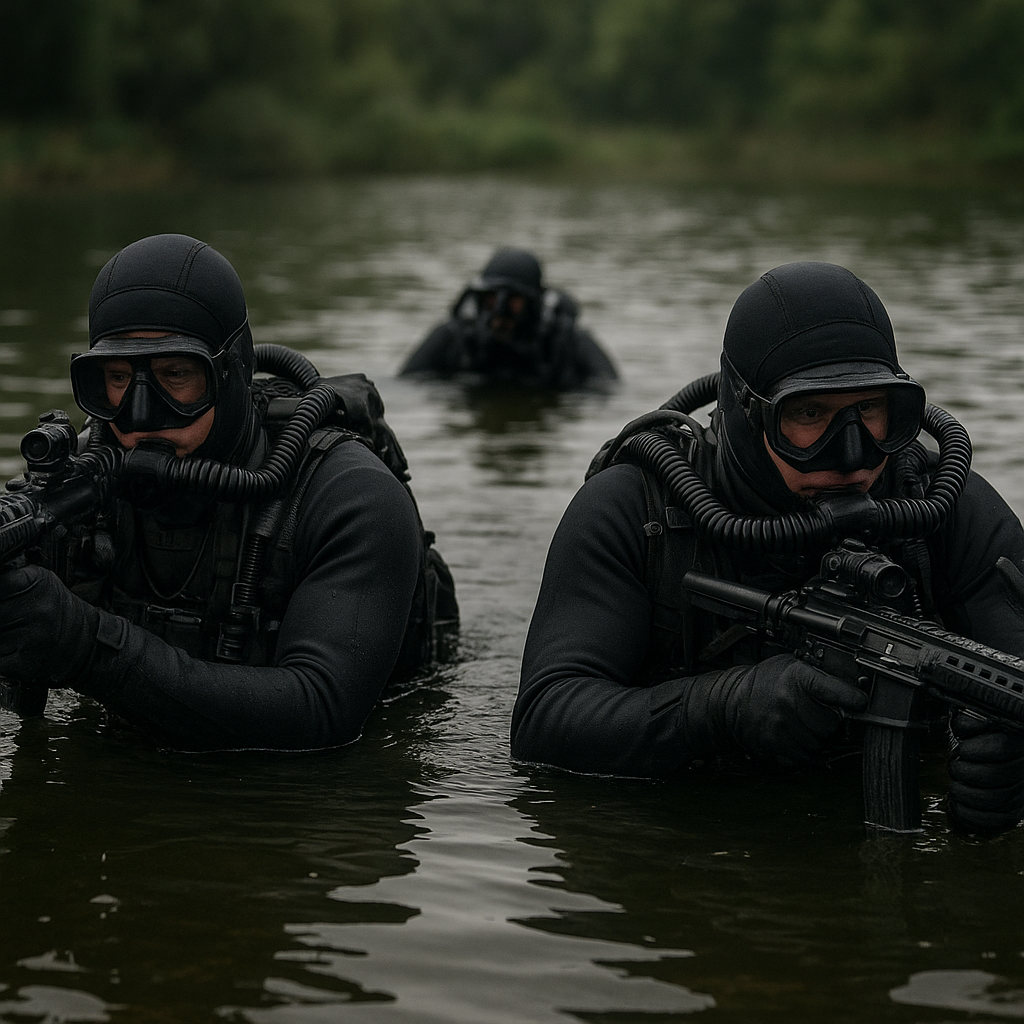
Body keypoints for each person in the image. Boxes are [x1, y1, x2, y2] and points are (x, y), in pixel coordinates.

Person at [511, 261, 1024, 835]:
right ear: (745, 411)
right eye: (808, 415)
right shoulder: (635, 510)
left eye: (873, 411)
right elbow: (543, 722)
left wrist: (1003, 775)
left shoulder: (943, 505)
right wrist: (720, 709)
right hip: (689, 844)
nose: (853, 453)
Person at [0, 233, 458, 751]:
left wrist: (83, 647)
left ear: (231, 372)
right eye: (118, 377)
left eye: (176, 375)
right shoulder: (78, 483)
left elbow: (322, 713)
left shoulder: (352, 496)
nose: (142, 415)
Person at [399, 246, 618, 389]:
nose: (499, 311)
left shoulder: (565, 340)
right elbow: (406, 384)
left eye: (512, 300)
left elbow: (609, 389)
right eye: (491, 298)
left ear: (533, 303)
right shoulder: (454, 336)